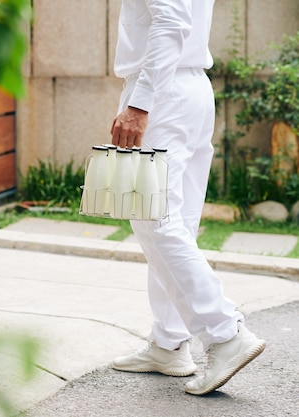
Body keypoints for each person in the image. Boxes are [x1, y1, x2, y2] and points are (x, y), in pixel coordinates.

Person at [108, 0, 265, 396]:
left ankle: (225, 333)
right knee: (174, 220)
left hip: (162, 93)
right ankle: (169, 343)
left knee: (153, 219)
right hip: (185, 88)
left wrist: (140, 102)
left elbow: (171, 19)